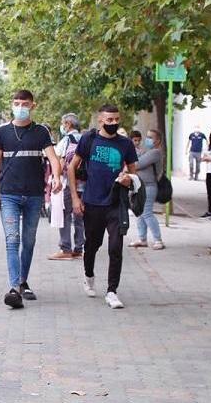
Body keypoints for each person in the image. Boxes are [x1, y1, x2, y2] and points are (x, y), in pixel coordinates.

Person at [0, 90, 62, 310]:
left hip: (34, 195)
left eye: (24, 103)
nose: (20, 106)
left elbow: (53, 158)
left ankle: (23, 281)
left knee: (28, 241)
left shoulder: (40, 132)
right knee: (12, 240)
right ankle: (14, 288)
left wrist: (56, 176)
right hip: (9, 194)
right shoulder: (2, 132)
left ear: (33, 106)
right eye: (16, 103)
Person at [68, 104, 138, 309]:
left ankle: (112, 291)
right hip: (92, 202)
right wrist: (75, 198)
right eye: (109, 120)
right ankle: (89, 275)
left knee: (115, 247)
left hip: (116, 203)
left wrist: (128, 179)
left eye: (116, 120)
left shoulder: (125, 144)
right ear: (100, 120)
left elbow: (134, 173)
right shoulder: (89, 140)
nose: (113, 123)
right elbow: (72, 167)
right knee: (92, 245)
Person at [49, 113, 86, 260]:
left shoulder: (66, 140)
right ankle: (79, 248)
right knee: (79, 216)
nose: (62, 126)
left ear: (68, 124)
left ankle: (65, 249)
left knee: (64, 215)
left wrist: (56, 178)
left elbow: (60, 162)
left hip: (68, 184)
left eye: (63, 123)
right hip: (84, 184)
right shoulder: (85, 139)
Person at [130, 129, 165, 250]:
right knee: (139, 213)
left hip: (149, 186)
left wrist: (133, 162)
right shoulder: (147, 151)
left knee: (147, 212)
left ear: (157, 140)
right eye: (147, 136)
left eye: (151, 137)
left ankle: (158, 240)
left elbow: (137, 164)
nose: (147, 139)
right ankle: (142, 239)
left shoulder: (155, 152)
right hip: (139, 185)